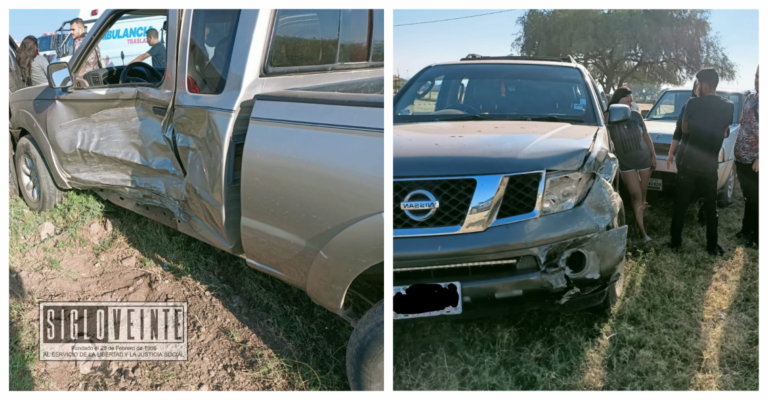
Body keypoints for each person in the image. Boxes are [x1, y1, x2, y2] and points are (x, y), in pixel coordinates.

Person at [670, 68, 734, 256]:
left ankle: (675, 243)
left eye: (697, 84)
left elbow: (685, 129)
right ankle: (712, 246)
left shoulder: (693, 104)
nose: (696, 87)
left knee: (680, 205)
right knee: (711, 206)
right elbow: (725, 132)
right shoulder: (729, 106)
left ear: (704, 85)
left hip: (689, 163)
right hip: (710, 165)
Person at [606, 87, 657, 242]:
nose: (630, 103)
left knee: (642, 195)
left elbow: (646, 137)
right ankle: (642, 233)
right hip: (626, 164)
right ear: (617, 101)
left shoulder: (635, 116)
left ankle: (640, 219)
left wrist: (653, 155)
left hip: (644, 160)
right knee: (635, 195)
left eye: (631, 101)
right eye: (627, 100)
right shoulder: (608, 118)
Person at [668, 80, 709, 225]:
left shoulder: (713, 108)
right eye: (696, 86)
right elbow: (678, 132)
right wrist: (671, 153)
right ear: (694, 89)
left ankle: (702, 217)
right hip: (685, 155)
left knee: (703, 189)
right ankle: (680, 218)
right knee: (683, 188)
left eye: (701, 85)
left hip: (705, 156)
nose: (700, 88)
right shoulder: (687, 107)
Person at [733, 66, 759, 248]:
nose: (757, 80)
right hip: (741, 159)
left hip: (755, 161)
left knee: (757, 199)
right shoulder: (751, 98)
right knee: (749, 198)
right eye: (757, 76)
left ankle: (756, 238)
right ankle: (746, 230)